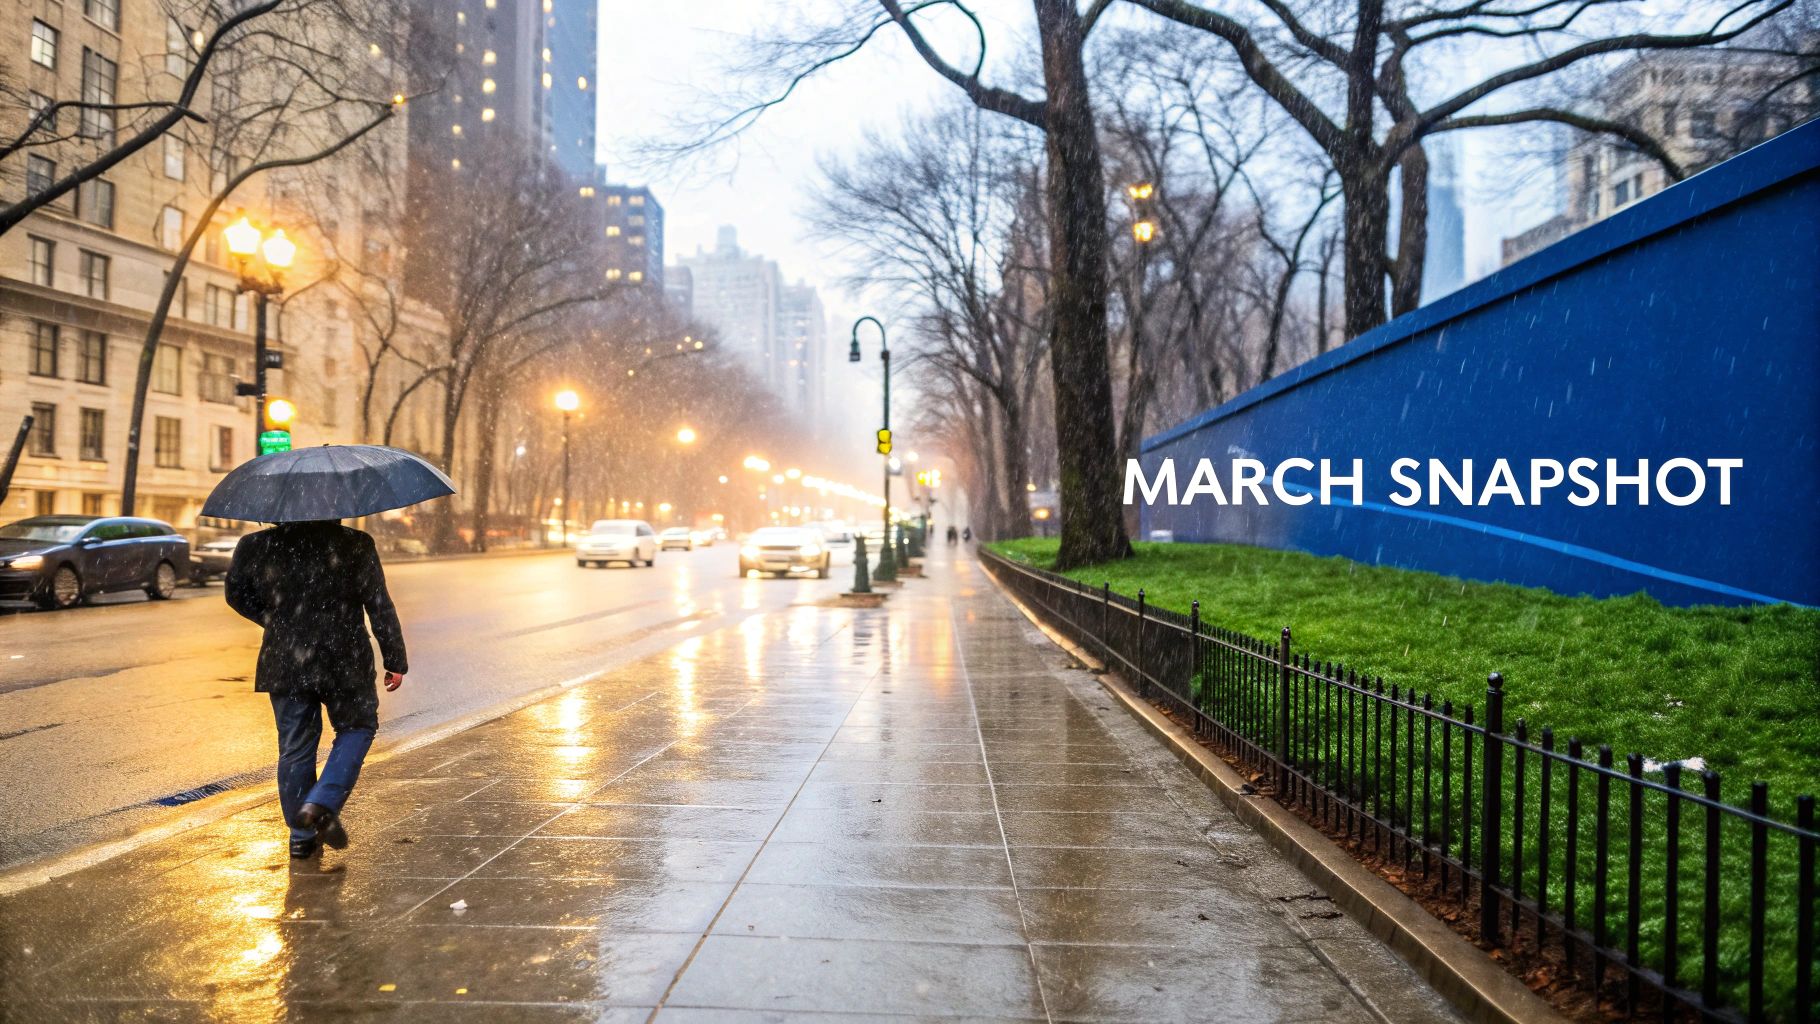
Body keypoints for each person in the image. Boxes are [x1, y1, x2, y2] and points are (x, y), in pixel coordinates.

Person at [226, 519, 407, 859]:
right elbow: (378, 603)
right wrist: (395, 658)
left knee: (295, 746)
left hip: (285, 658)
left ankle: (301, 835)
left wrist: (276, 619)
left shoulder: (255, 545)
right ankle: (322, 802)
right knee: (357, 727)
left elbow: (236, 595)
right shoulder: (355, 543)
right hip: (345, 657)